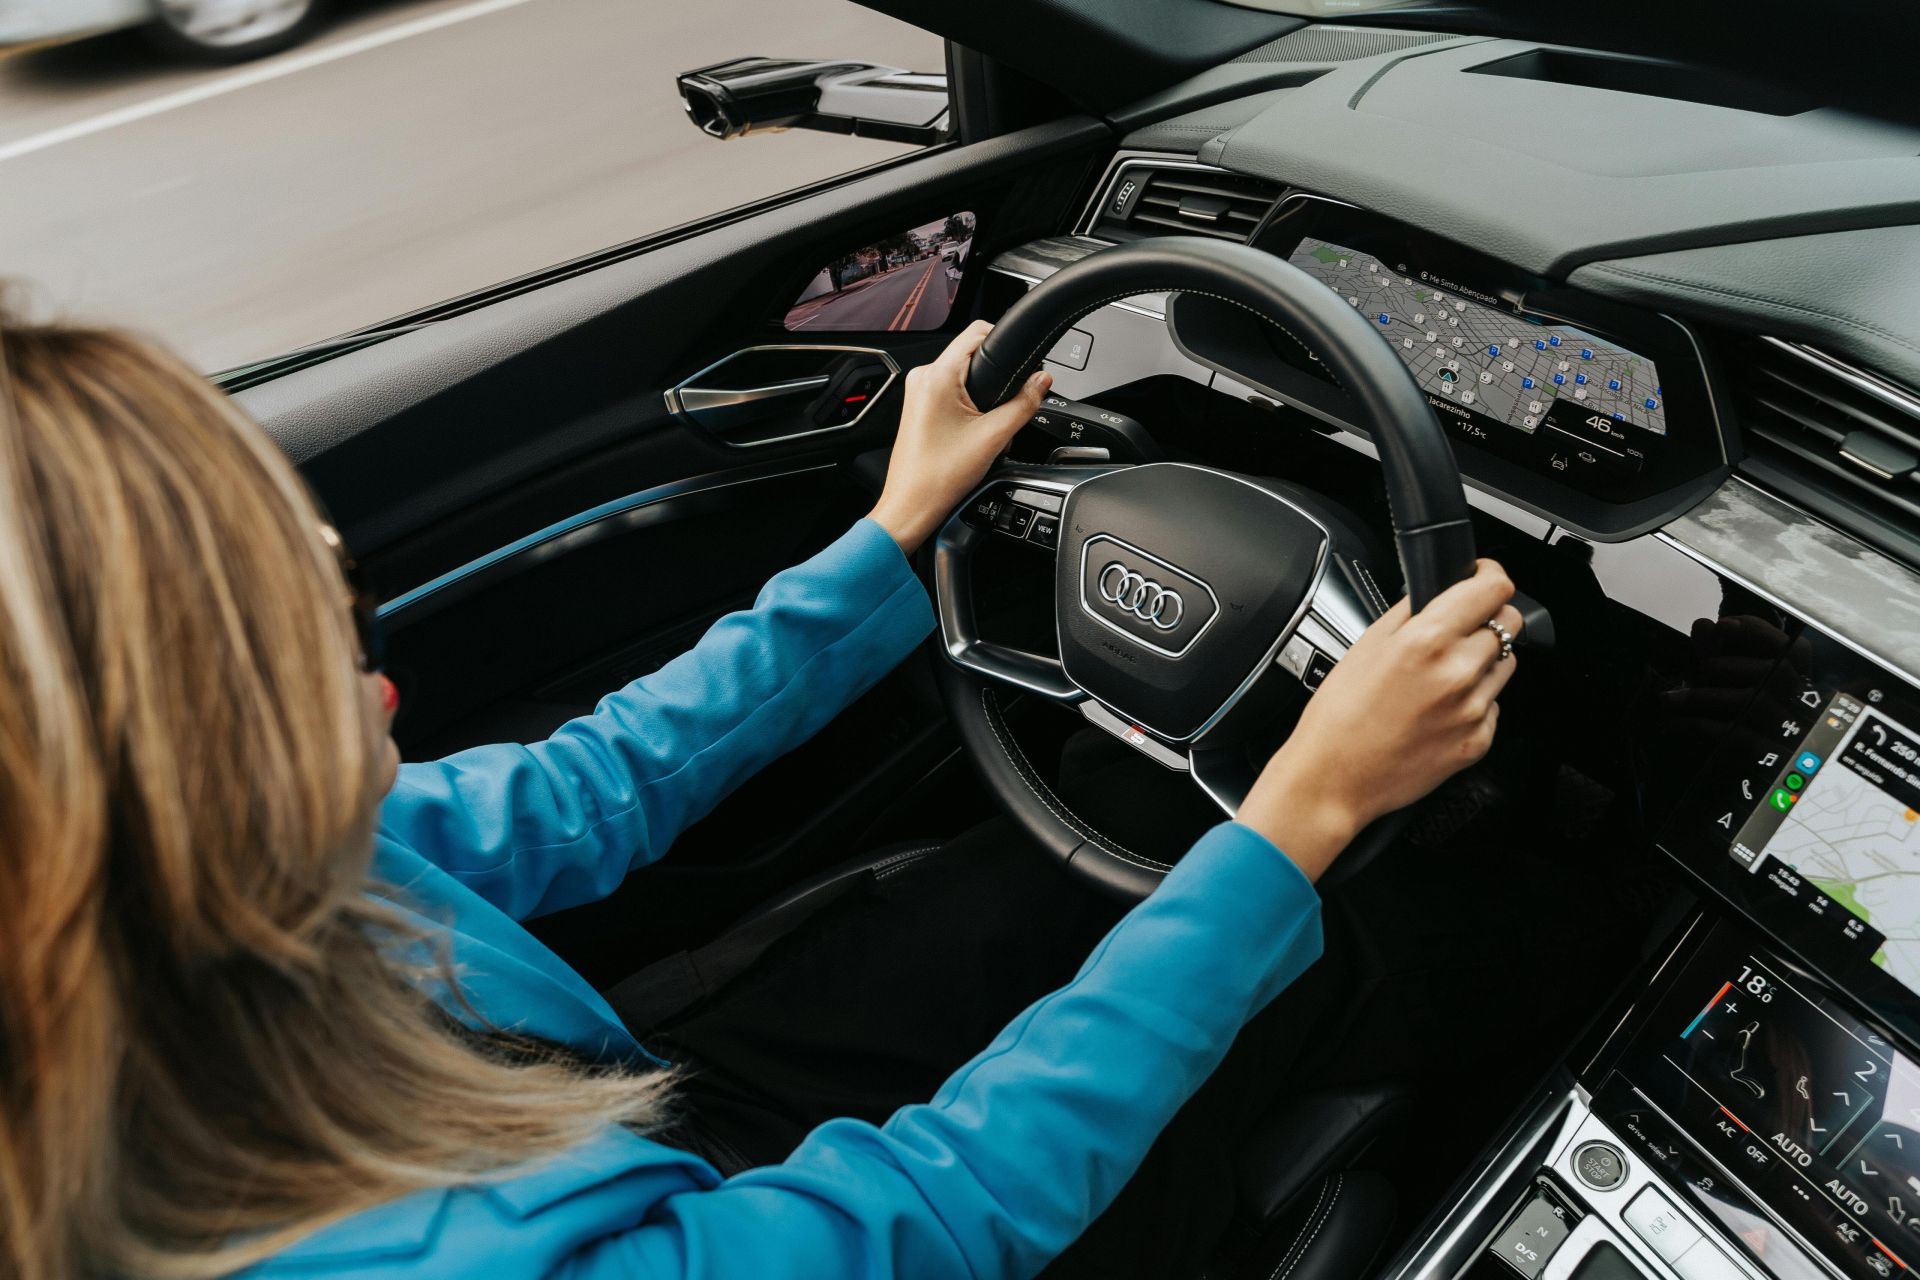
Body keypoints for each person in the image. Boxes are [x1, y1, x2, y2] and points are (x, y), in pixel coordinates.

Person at [0, 310, 1520, 1280]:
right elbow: (934, 1217)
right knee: (1391, 948)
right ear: (153, 765)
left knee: (1039, 886)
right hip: (756, 1230)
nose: (382, 687)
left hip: (611, 1132)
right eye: (312, 642)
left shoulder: (217, 863)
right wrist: (1302, 818)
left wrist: (895, 534)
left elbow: (582, 793)